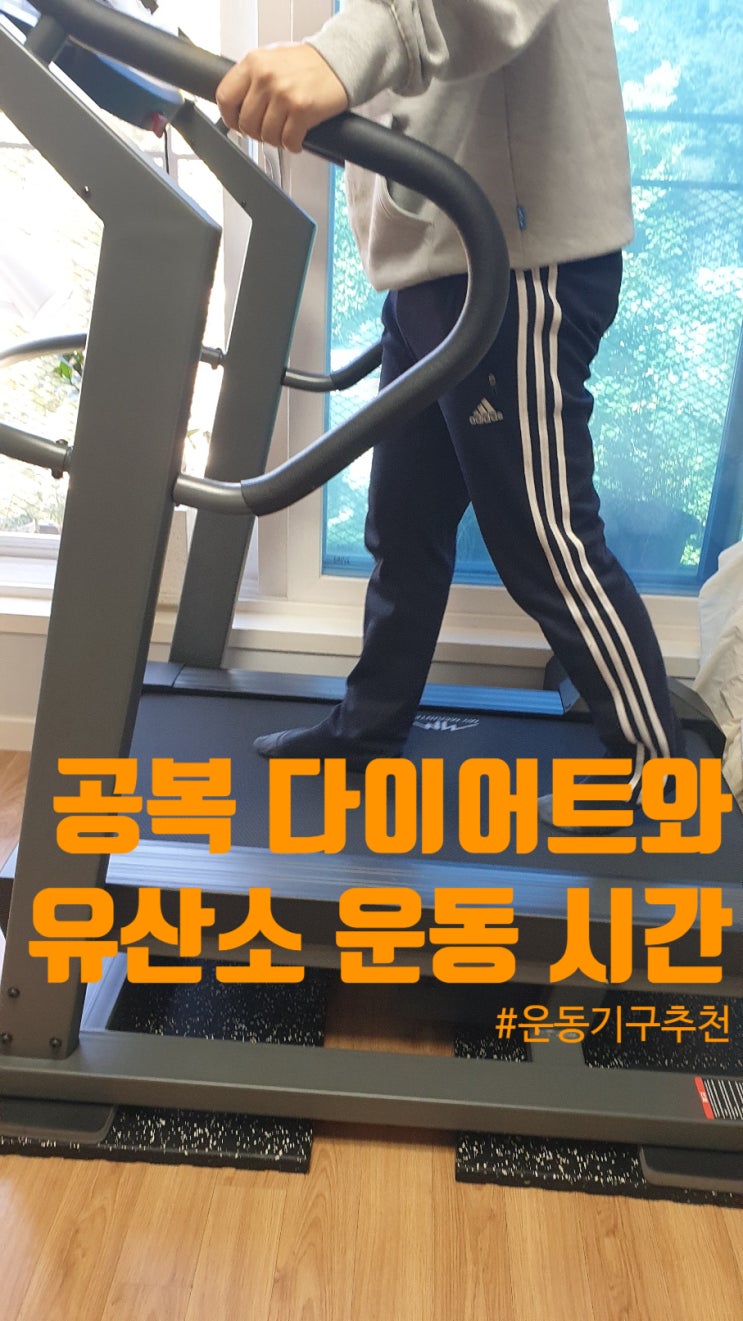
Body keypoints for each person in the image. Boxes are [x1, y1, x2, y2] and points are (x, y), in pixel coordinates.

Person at [216, 0, 683, 822]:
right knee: (403, 524)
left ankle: (660, 773)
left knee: (544, 539)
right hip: (436, 260)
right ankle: (368, 729)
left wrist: (337, 57)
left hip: (515, 261)